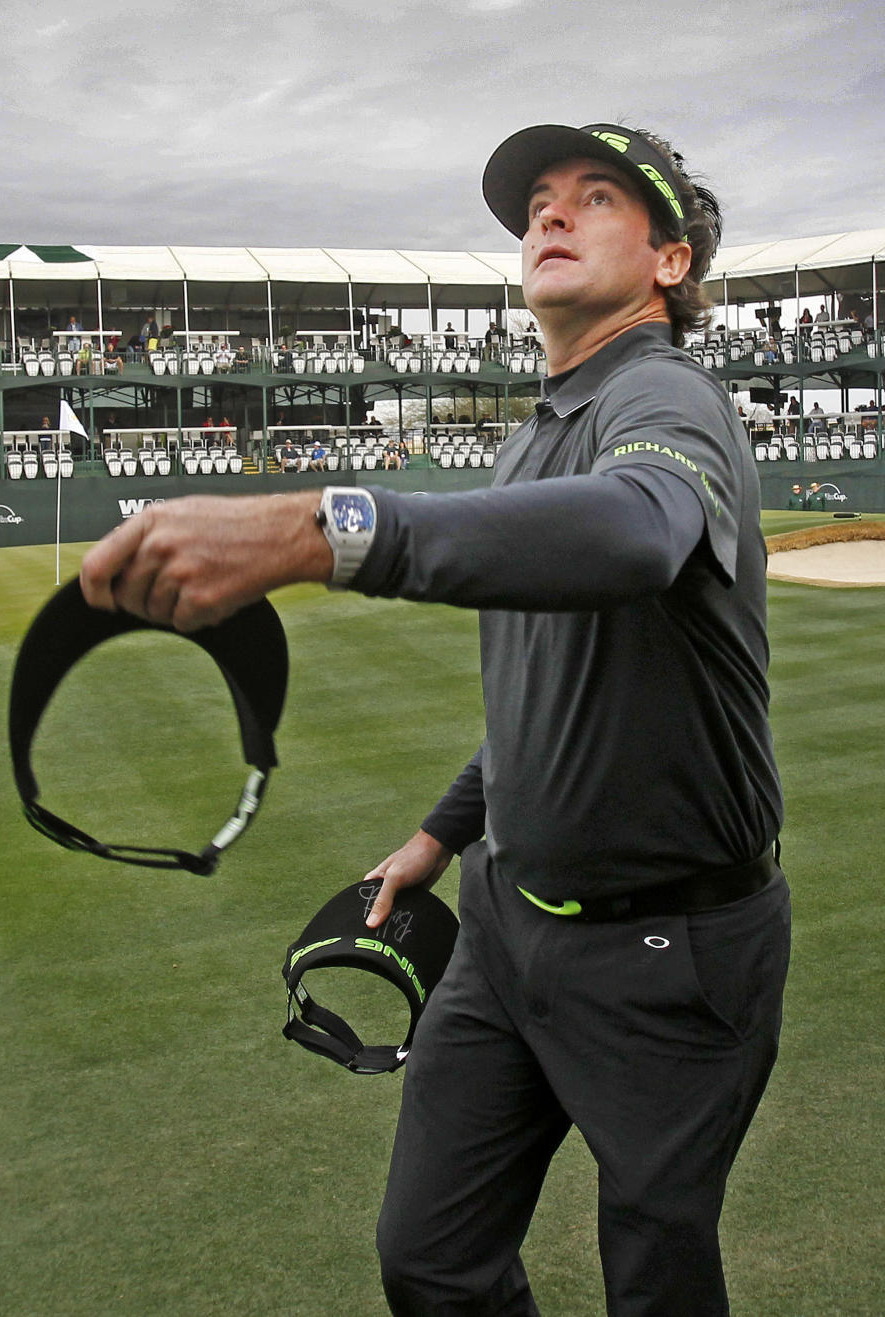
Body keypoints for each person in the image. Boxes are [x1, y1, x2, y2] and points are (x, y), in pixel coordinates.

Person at [80, 119, 790, 1317]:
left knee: (657, 1279)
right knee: (431, 1258)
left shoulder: (668, 394)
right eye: (537, 204)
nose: (548, 216)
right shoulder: (535, 437)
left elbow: (638, 528)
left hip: (667, 949)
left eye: (595, 197)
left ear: (671, 261)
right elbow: (551, 691)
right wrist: (439, 834)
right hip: (509, 923)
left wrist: (328, 529)